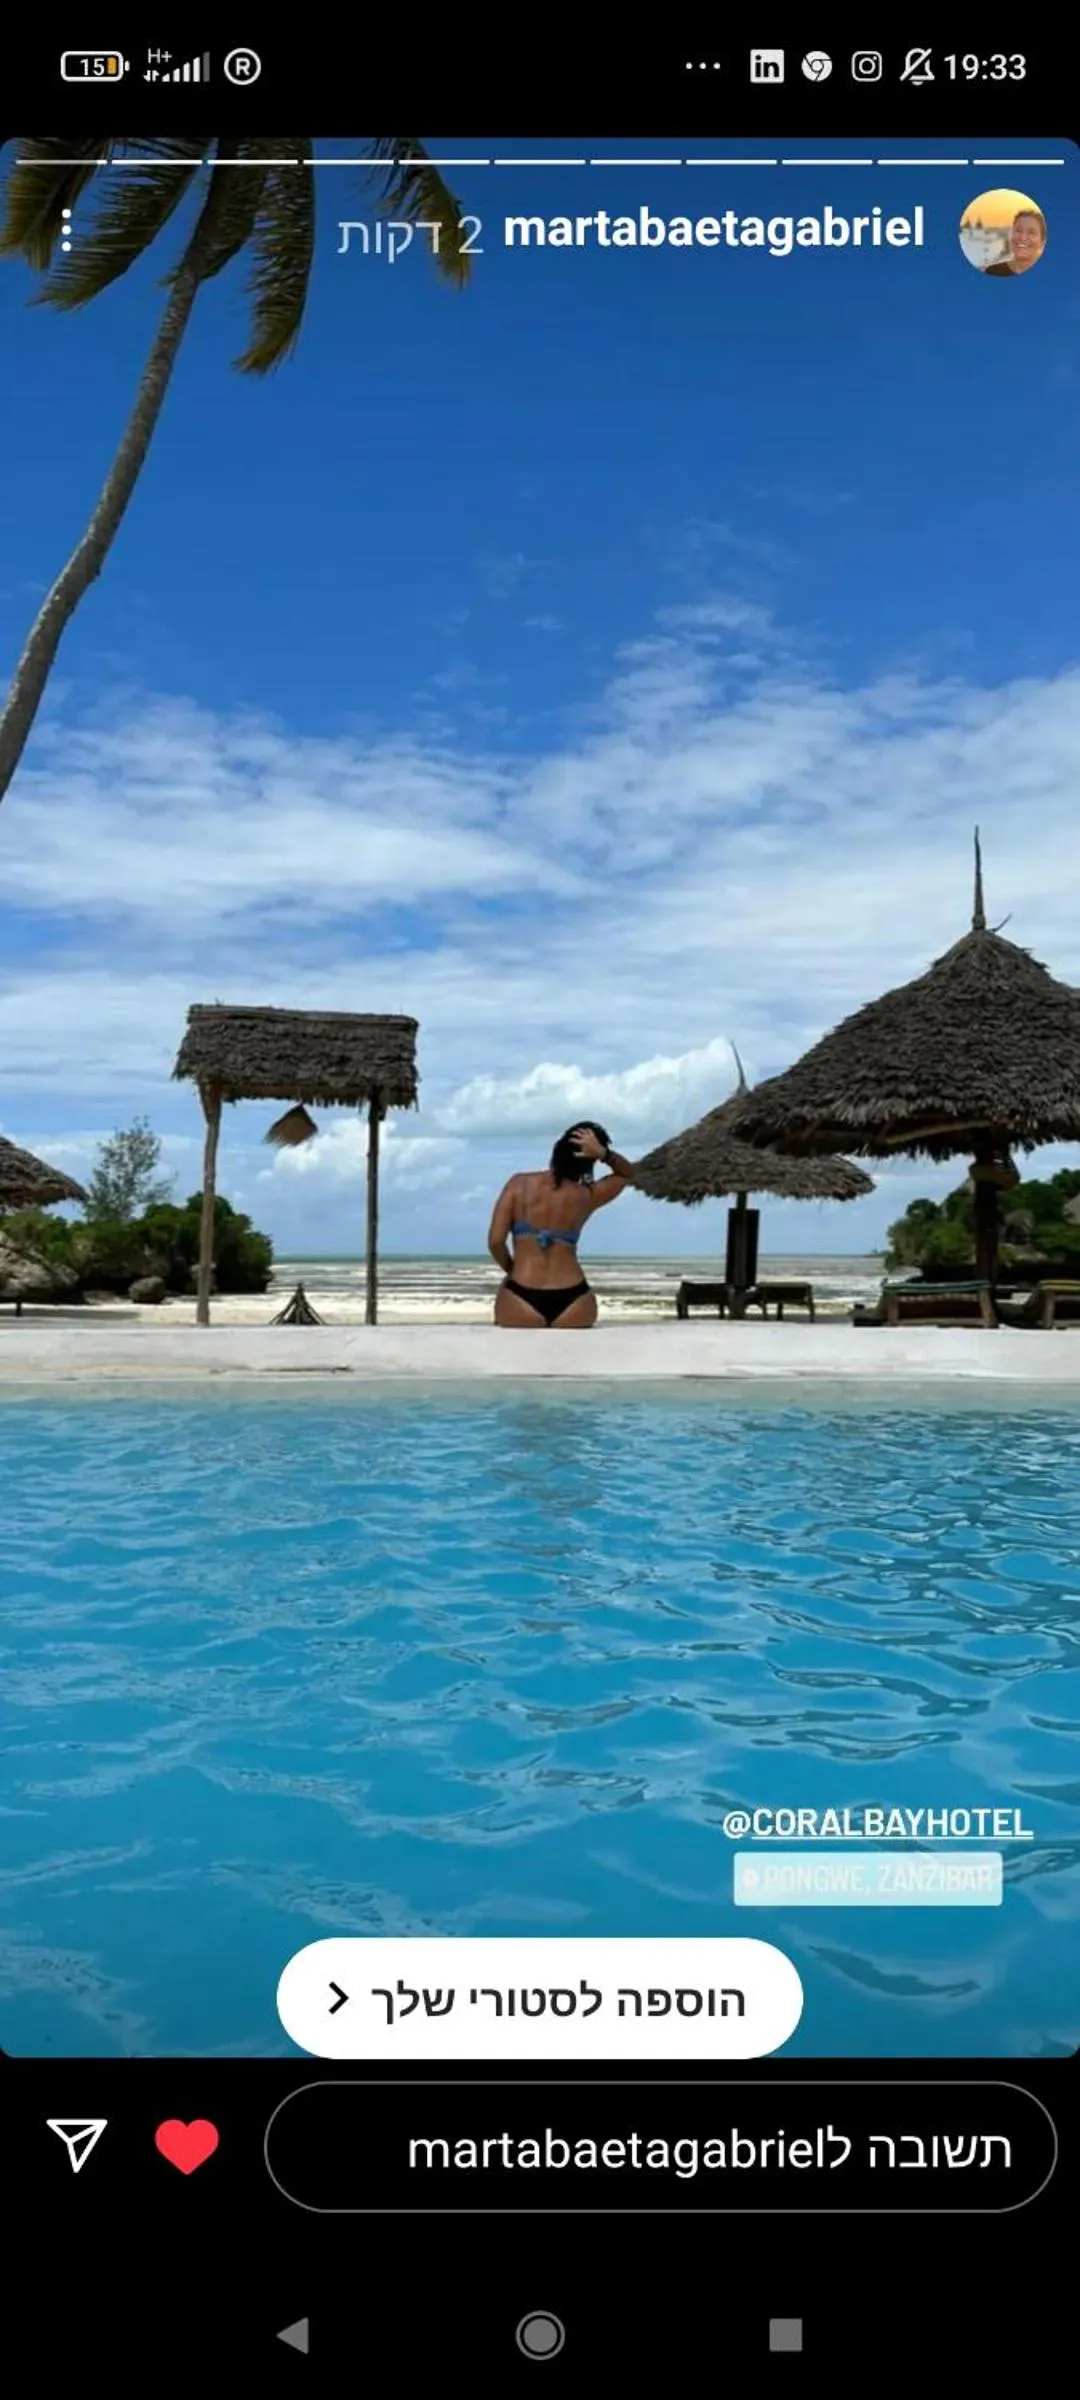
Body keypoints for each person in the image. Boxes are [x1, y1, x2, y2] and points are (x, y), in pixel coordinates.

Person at [487, 1122, 636, 1327]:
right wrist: (604, 1154)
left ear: (559, 1148)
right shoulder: (588, 1194)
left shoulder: (519, 1184)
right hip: (575, 1299)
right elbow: (627, 1173)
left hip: (520, 1294)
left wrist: (512, 1270)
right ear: (590, 1160)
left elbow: (495, 1242)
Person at [985, 206, 1047, 275]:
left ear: (1042, 242)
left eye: (1031, 232)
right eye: (1018, 230)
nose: (1023, 238)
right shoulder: (993, 272)